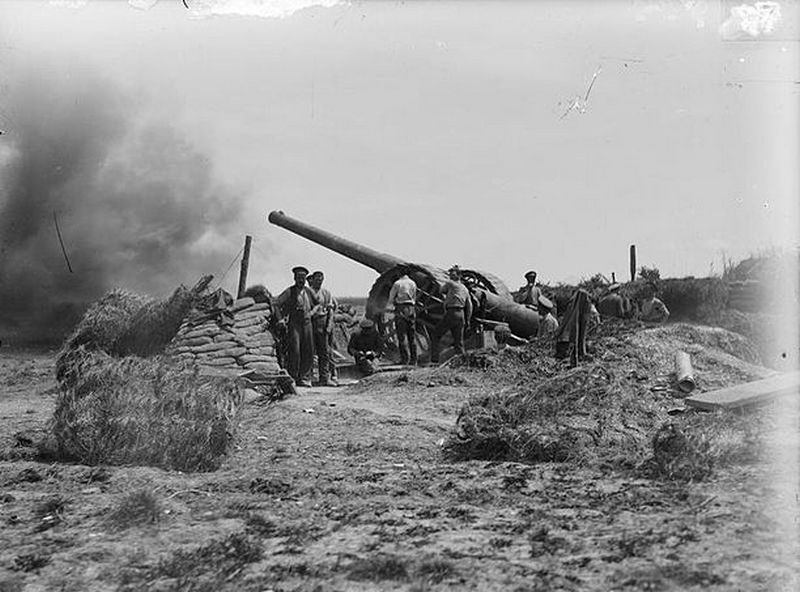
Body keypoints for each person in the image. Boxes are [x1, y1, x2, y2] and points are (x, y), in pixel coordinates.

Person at [274, 266, 319, 387]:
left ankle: (304, 378)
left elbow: (317, 304)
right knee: (295, 350)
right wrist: (280, 319)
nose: (301, 280)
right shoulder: (290, 291)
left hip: (307, 323)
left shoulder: (309, 292)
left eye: (303, 278)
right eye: (299, 277)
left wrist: (311, 313)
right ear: (294, 278)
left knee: (308, 350)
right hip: (295, 323)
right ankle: (293, 376)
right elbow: (276, 304)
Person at [430, 266, 473, 364]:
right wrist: (468, 320)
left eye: (452, 274)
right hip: (461, 314)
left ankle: (434, 360)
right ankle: (462, 362)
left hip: (451, 312)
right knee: (459, 342)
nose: (450, 276)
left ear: (458, 276)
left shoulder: (450, 283)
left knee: (436, 334)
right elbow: (470, 306)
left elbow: (441, 290)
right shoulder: (465, 289)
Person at [308, 271, 338, 386]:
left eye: (321, 279)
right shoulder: (307, 292)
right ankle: (309, 378)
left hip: (322, 322)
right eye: (317, 279)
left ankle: (324, 378)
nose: (319, 281)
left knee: (324, 352)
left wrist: (329, 325)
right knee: (309, 352)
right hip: (310, 323)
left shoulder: (326, 293)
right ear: (313, 280)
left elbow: (330, 310)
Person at [388, 266, 418, 366]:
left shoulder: (397, 283)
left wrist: (394, 303)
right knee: (412, 336)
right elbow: (414, 296)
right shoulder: (413, 283)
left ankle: (405, 360)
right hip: (411, 309)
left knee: (402, 335)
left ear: (399, 273)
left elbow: (391, 298)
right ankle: (414, 360)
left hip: (401, 308)